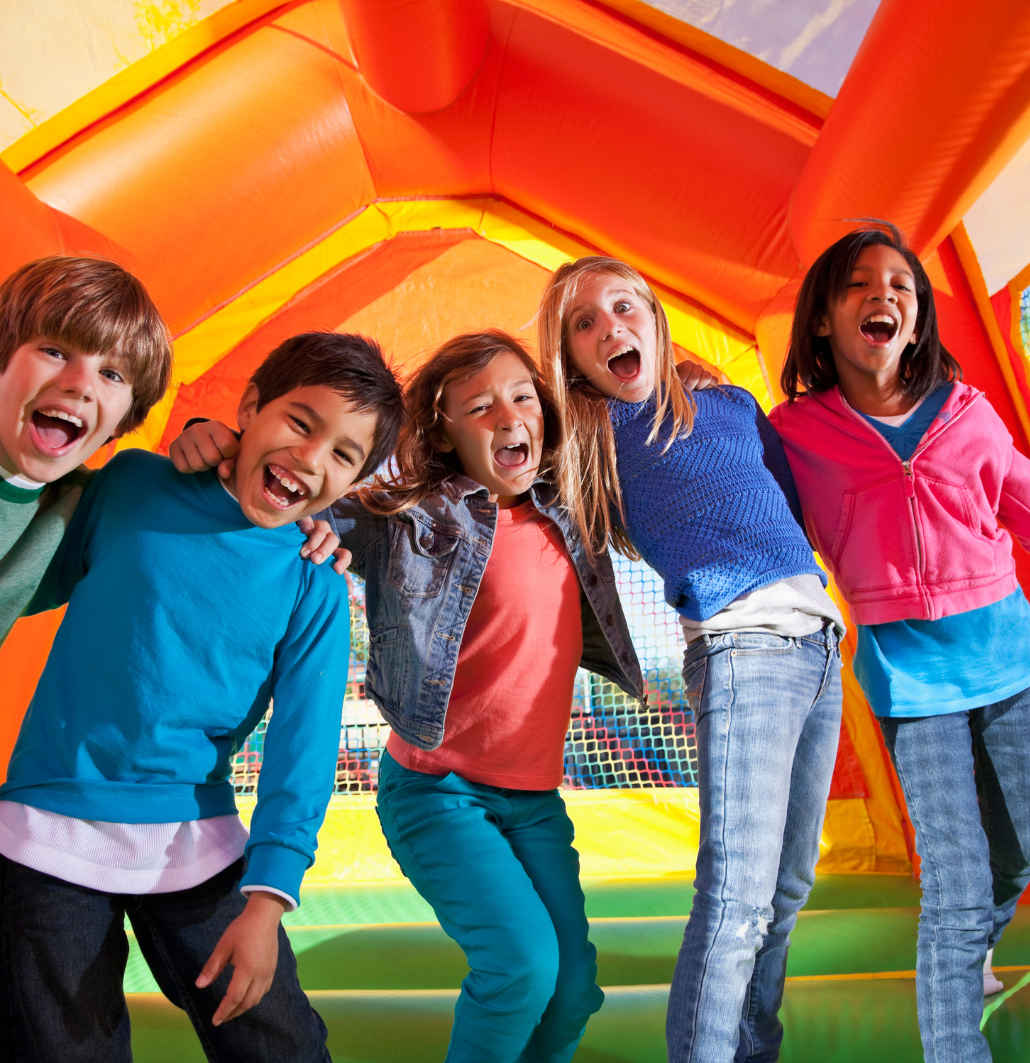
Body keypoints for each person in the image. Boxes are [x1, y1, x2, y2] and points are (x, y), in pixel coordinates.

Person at [173, 330, 643, 1063]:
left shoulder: (570, 508)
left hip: (535, 800)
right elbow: (301, 499)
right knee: (519, 966)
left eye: (521, 398)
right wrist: (218, 443)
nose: (507, 415)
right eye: (478, 407)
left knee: (574, 987)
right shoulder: (414, 517)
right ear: (444, 432)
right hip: (438, 791)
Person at [0, 331, 404, 1063]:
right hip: (49, 830)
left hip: (193, 843)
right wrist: (197, 441)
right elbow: (24, 563)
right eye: (300, 422)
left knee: (283, 1045)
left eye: (343, 454)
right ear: (249, 408)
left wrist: (267, 901)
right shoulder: (132, 484)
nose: (310, 457)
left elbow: (300, 758)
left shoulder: (314, 585)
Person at [535, 257, 845, 1063]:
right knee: (735, 892)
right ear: (570, 357)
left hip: (818, 645)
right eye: (585, 322)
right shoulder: (591, 435)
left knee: (784, 889)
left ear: (656, 317)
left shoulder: (730, 402)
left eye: (623, 306)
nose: (611, 328)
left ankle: (752, 1051)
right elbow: (485, 462)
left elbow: (795, 508)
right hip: (740, 649)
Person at [770, 222, 1030, 1063]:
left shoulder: (965, 411)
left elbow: (1022, 496)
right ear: (822, 320)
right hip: (910, 683)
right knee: (953, 889)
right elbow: (757, 524)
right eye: (857, 285)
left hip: (1008, 662)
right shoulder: (798, 434)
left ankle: (979, 944)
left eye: (900, 287)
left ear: (915, 322)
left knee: (1018, 854)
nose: (881, 295)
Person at [0, 254, 172, 1063]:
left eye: (113, 372)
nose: (83, 381)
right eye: (55, 350)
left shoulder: (72, 507)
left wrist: (205, 446)